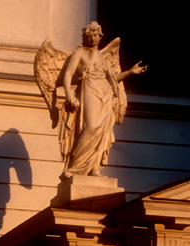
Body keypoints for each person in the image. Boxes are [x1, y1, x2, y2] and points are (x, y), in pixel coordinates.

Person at [59, 22, 146, 178]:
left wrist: (131, 72)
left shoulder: (102, 57)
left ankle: (94, 169)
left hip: (105, 93)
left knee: (102, 131)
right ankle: (75, 167)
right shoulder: (79, 54)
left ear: (100, 37)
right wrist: (69, 95)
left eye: (95, 36)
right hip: (89, 89)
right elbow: (67, 74)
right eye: (89, 36)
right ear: (85, 37)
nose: (92, 39)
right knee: (91, 126)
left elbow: (113, 78)